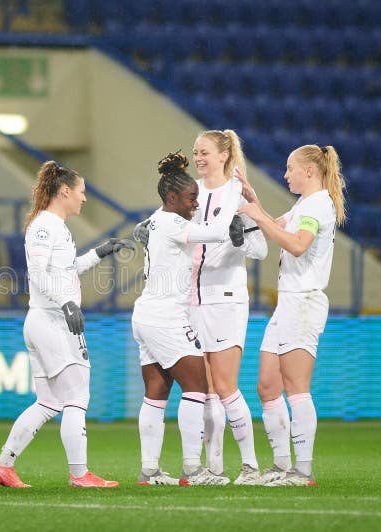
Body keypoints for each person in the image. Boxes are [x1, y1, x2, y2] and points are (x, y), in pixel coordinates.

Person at [0, 161, 131, 489]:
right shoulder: (44, 227)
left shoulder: (55, 226)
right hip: (52, 321)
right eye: (81, 192)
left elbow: (65, 270)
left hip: (45, 320)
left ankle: (2, 465)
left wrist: (100, 252)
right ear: (65, 191)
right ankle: (79, 475)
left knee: (49, 402)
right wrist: (66, 303)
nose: (84, 198)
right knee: (77, 397)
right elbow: (37, 275)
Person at [236, 144, 346, 487]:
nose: (285, 175)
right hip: (287, 303)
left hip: (303, 302)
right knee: (267, 386)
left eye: (289, 169)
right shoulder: (304, 204)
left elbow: (296, 244)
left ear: (309, 171)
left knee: (297, 388)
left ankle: (304, 471)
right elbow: (272, 225)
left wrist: (257, 216)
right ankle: (282, 466)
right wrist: (254, 202)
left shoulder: (318, 205)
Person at [132, 151, 243, 487]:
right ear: (172, 197)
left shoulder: (154, 220)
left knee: (156, 390)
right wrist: (235, 189)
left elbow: (141, 230)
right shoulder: (172, 222)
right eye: (191, 197)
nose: (195, 203)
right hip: (166, 317)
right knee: (197, 387)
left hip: (145, 315)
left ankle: (149, 471)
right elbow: (218, 231)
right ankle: (193, 470)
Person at [189, 130, 268, 485]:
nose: (198, 157)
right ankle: (213, 467)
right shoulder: (191, 192)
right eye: (195, 152)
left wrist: (241, 238)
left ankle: (250, 466)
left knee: (225, 385)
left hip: (226, 299)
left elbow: (261, 250)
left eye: (204, 151)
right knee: (204, 389)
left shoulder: (238, 192)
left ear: (223, 155)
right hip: (192, 299)